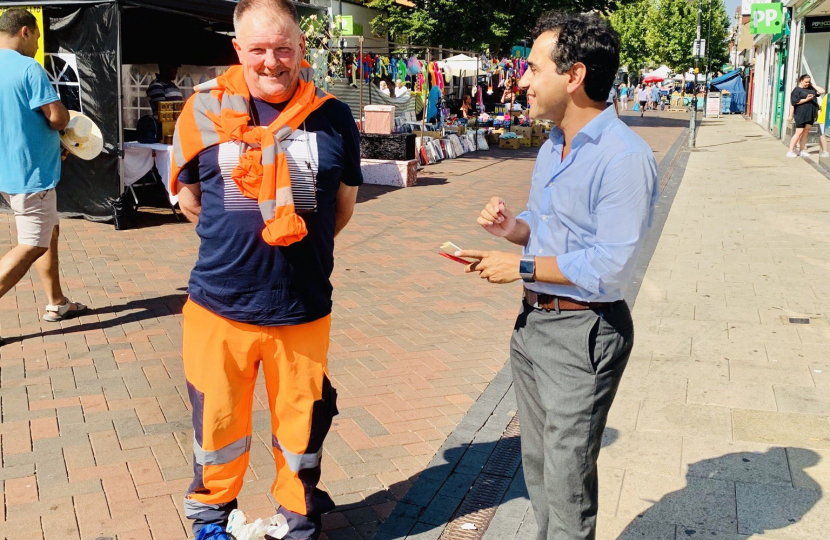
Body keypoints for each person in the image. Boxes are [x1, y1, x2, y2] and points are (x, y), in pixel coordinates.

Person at [456, 11, 657, 540]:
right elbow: (547, 230)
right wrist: (511, 229)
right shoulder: (550, 146)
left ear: (574, 76)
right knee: (540, 469)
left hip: (584, 332)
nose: (521, 80)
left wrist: (520, 266)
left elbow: (609, 265)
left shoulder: (624, 158)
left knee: (567, 482)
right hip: (534, 327)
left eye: (532, 68)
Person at [169, 0, 362, 538]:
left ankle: (299, 523)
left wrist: (293, 249)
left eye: (283, 48)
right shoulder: (203, 109)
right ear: (238, 50)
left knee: (301, 434)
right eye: (258, 49)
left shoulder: (332, 115)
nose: (272, 61)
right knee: (216, 429)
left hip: (301, 309)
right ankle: (211, 523)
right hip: (219, 308)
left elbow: (341, 208)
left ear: (301, 49)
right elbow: (189, 200)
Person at [0, 8, 87, 338]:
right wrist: (65, 120)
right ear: (25, 31)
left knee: (49, 231)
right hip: (30, 174)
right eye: (37, 37)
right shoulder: (28, 68)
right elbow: (58, 118)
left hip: (8, 171)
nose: (38, 45)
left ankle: (57, 302)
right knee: (33, 243)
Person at [787, 74, 826, 158]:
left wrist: (812, 85)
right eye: (806, 82)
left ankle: (802, 150)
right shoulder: (796, 90)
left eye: (808, 82)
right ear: (801, 80)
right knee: (799, 132)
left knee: (806, 132)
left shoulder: (811, 89)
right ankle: (790, 150)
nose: (807, 84)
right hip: (801, 114)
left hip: (810, 114)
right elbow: (795, 102)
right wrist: (807, 99)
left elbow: (822, 91)